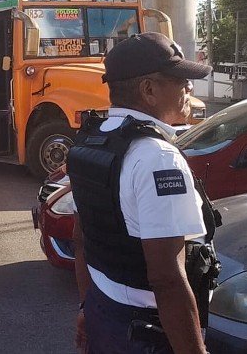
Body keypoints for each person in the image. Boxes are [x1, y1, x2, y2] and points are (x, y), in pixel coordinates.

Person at [68, 32, 221, 354]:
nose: (189, 88)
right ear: (149, 90)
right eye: (180, 80)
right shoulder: (157, 158)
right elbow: (166, 278)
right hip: (147, 331)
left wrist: (86, 307)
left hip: (103, 309)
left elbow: (81, 239)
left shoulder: (92, 141)